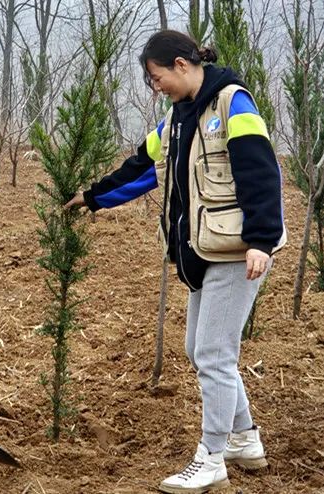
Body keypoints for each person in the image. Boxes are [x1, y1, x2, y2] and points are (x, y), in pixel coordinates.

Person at [65, 30, 286, 493]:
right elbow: (142, 168)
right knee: (198, 350)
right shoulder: (177, 119)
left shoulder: (232, 104)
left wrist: (261, 241)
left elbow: (261, 171)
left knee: (213, 354)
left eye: (156, 76)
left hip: (235, 249)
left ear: (182, 65)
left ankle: (212, 458)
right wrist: (93, 197)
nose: (155, 86)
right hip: (201, 251)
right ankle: (244, 439)